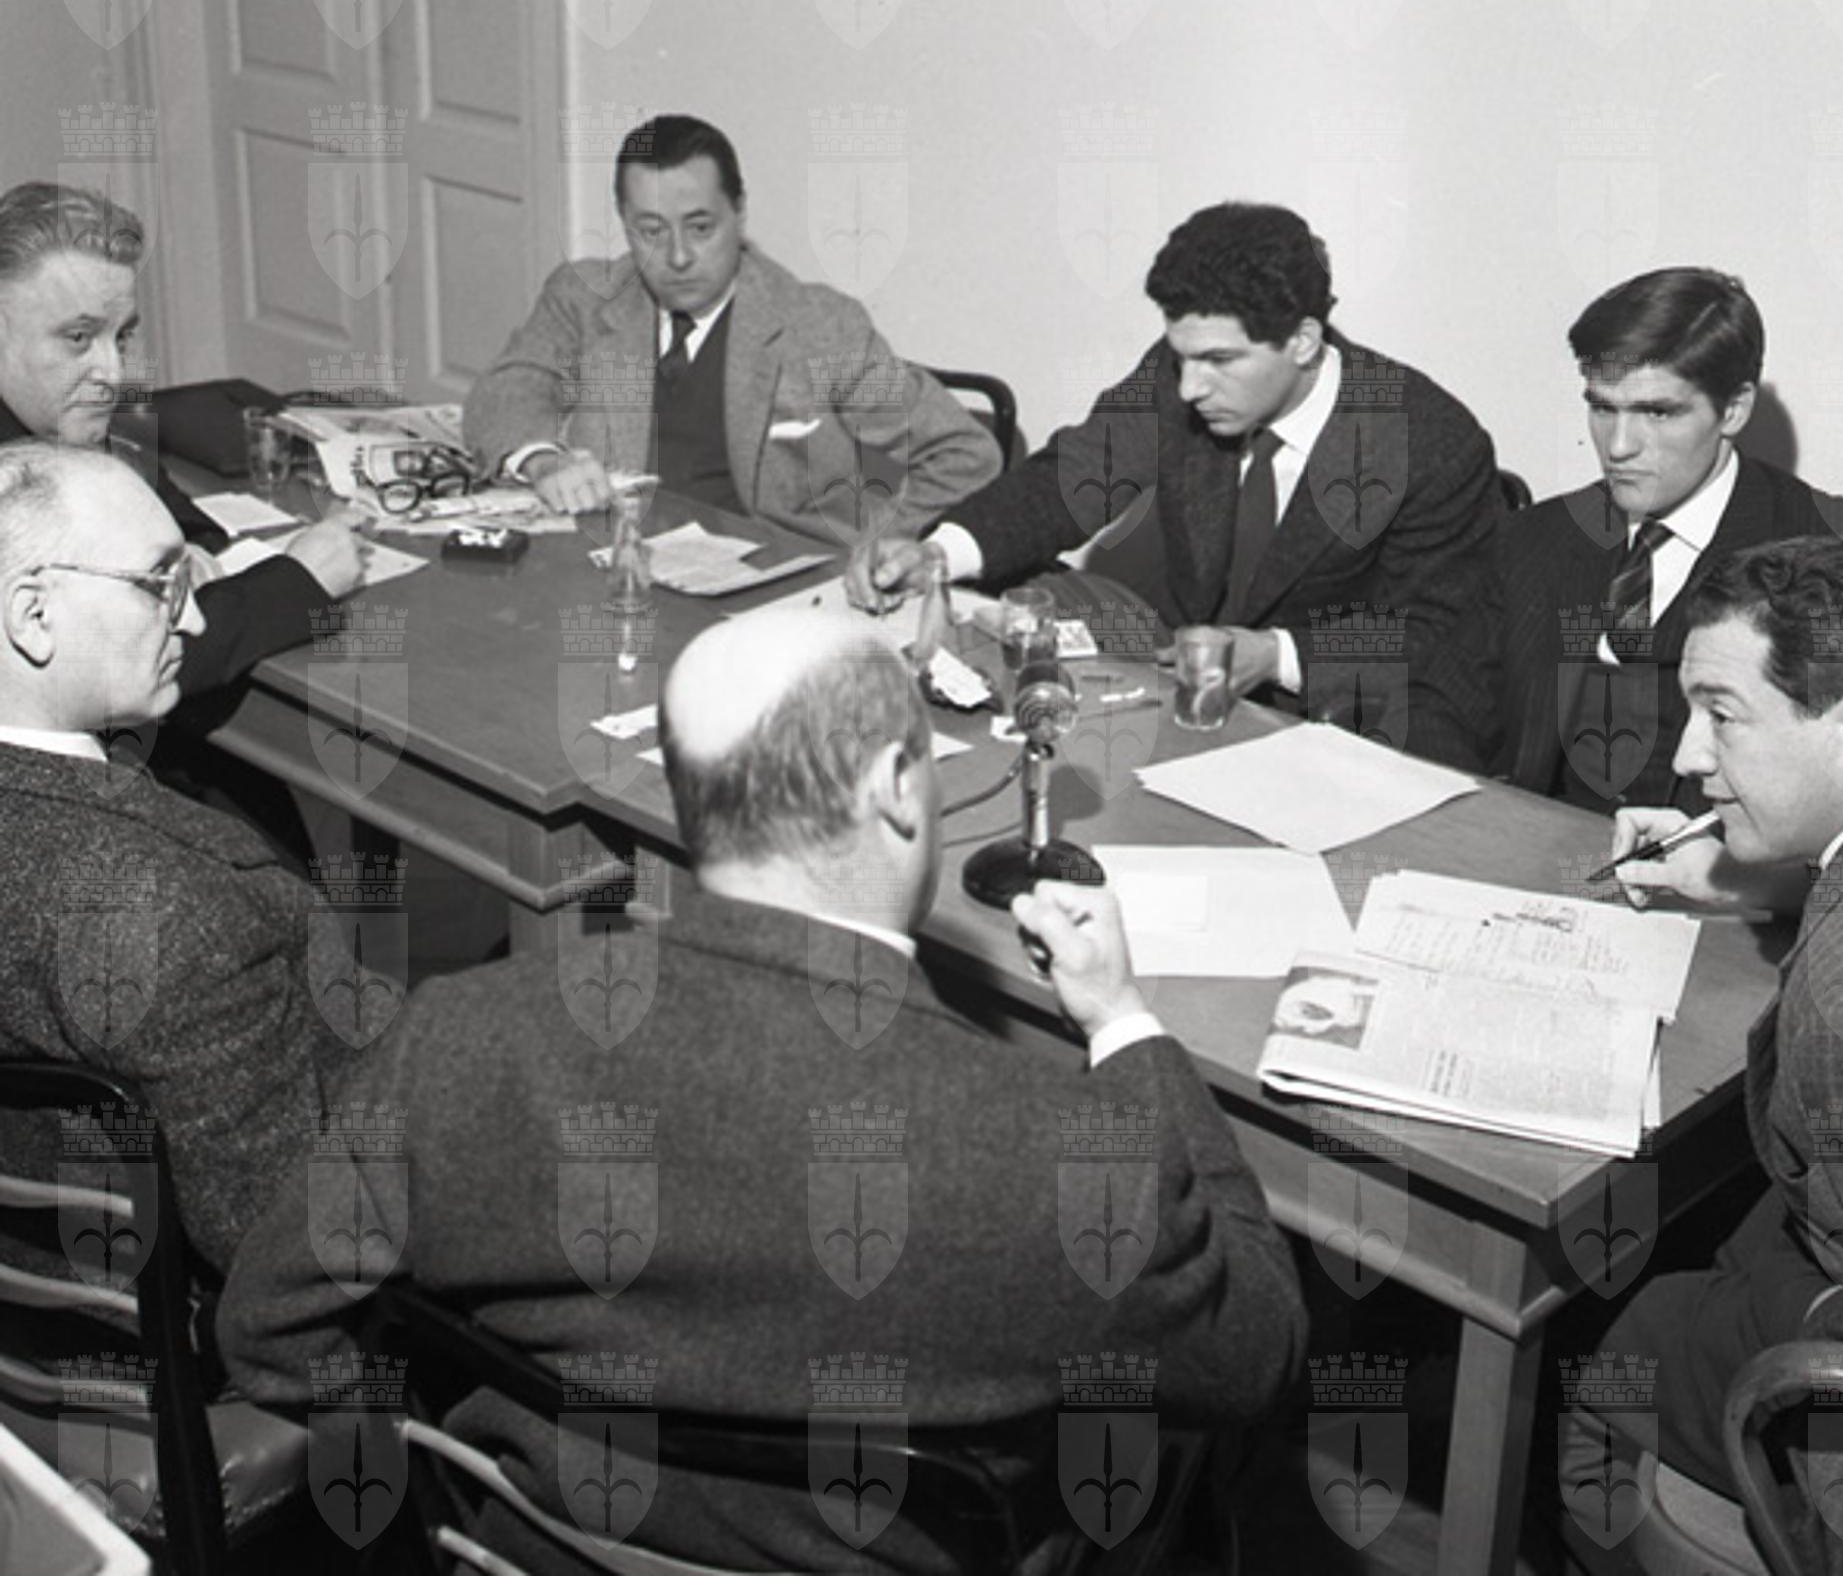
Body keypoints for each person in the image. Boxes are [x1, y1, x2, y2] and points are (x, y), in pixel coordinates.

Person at [219, 607, 1312, 1573]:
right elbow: (1258, 1352)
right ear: (896, 788)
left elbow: (269, 1328)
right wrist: (1124, 1023)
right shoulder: (1058, 1157)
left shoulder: (454, 1037)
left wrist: (456, 1450)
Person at [1561, 537, 1843, 1575]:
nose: (1690, 755)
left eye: (1722, 714)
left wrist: (1816, 1311)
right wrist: (1741, 871)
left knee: (1613, 1348)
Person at [847, 201, 1505, 771]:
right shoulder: (1180, 375)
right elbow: (1074, 476)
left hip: (1340, 725)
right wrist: (939, 552)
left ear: (1304, 341)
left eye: (1218, 360)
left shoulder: (1431, 442)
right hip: (1189, 699)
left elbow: (1442, 639)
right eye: (1181, 357)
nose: (1189, 387)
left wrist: (1275, 655)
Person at [0, 442, 341, 1297]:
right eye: (159, 584)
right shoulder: (173, 911)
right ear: (32, 616)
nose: (190, 622)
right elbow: (286, 1251)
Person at [1498, 267, 1843, 812]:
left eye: (1657, 412)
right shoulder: (1532, 539)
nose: (1619, 446)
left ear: (1734, 409)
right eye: (1602, 407)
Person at [463, 113, 1000, 543]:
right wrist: (543, 462)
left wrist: (874, 548)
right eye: (651, 231)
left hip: (770, 598)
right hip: (614, 569)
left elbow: (964, 456)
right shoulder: (584, 298)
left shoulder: (818, 327)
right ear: (623, 221)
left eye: (700, 228)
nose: (678, 256)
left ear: (739, 213)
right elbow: (505, 393)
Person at [0, 183, 367, 707]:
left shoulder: (71, 422)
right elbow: (99, 670)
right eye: (78, 338)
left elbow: (187, 526)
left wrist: (187, 559)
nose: (113, 373)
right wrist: (298, 582)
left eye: (121, 337)